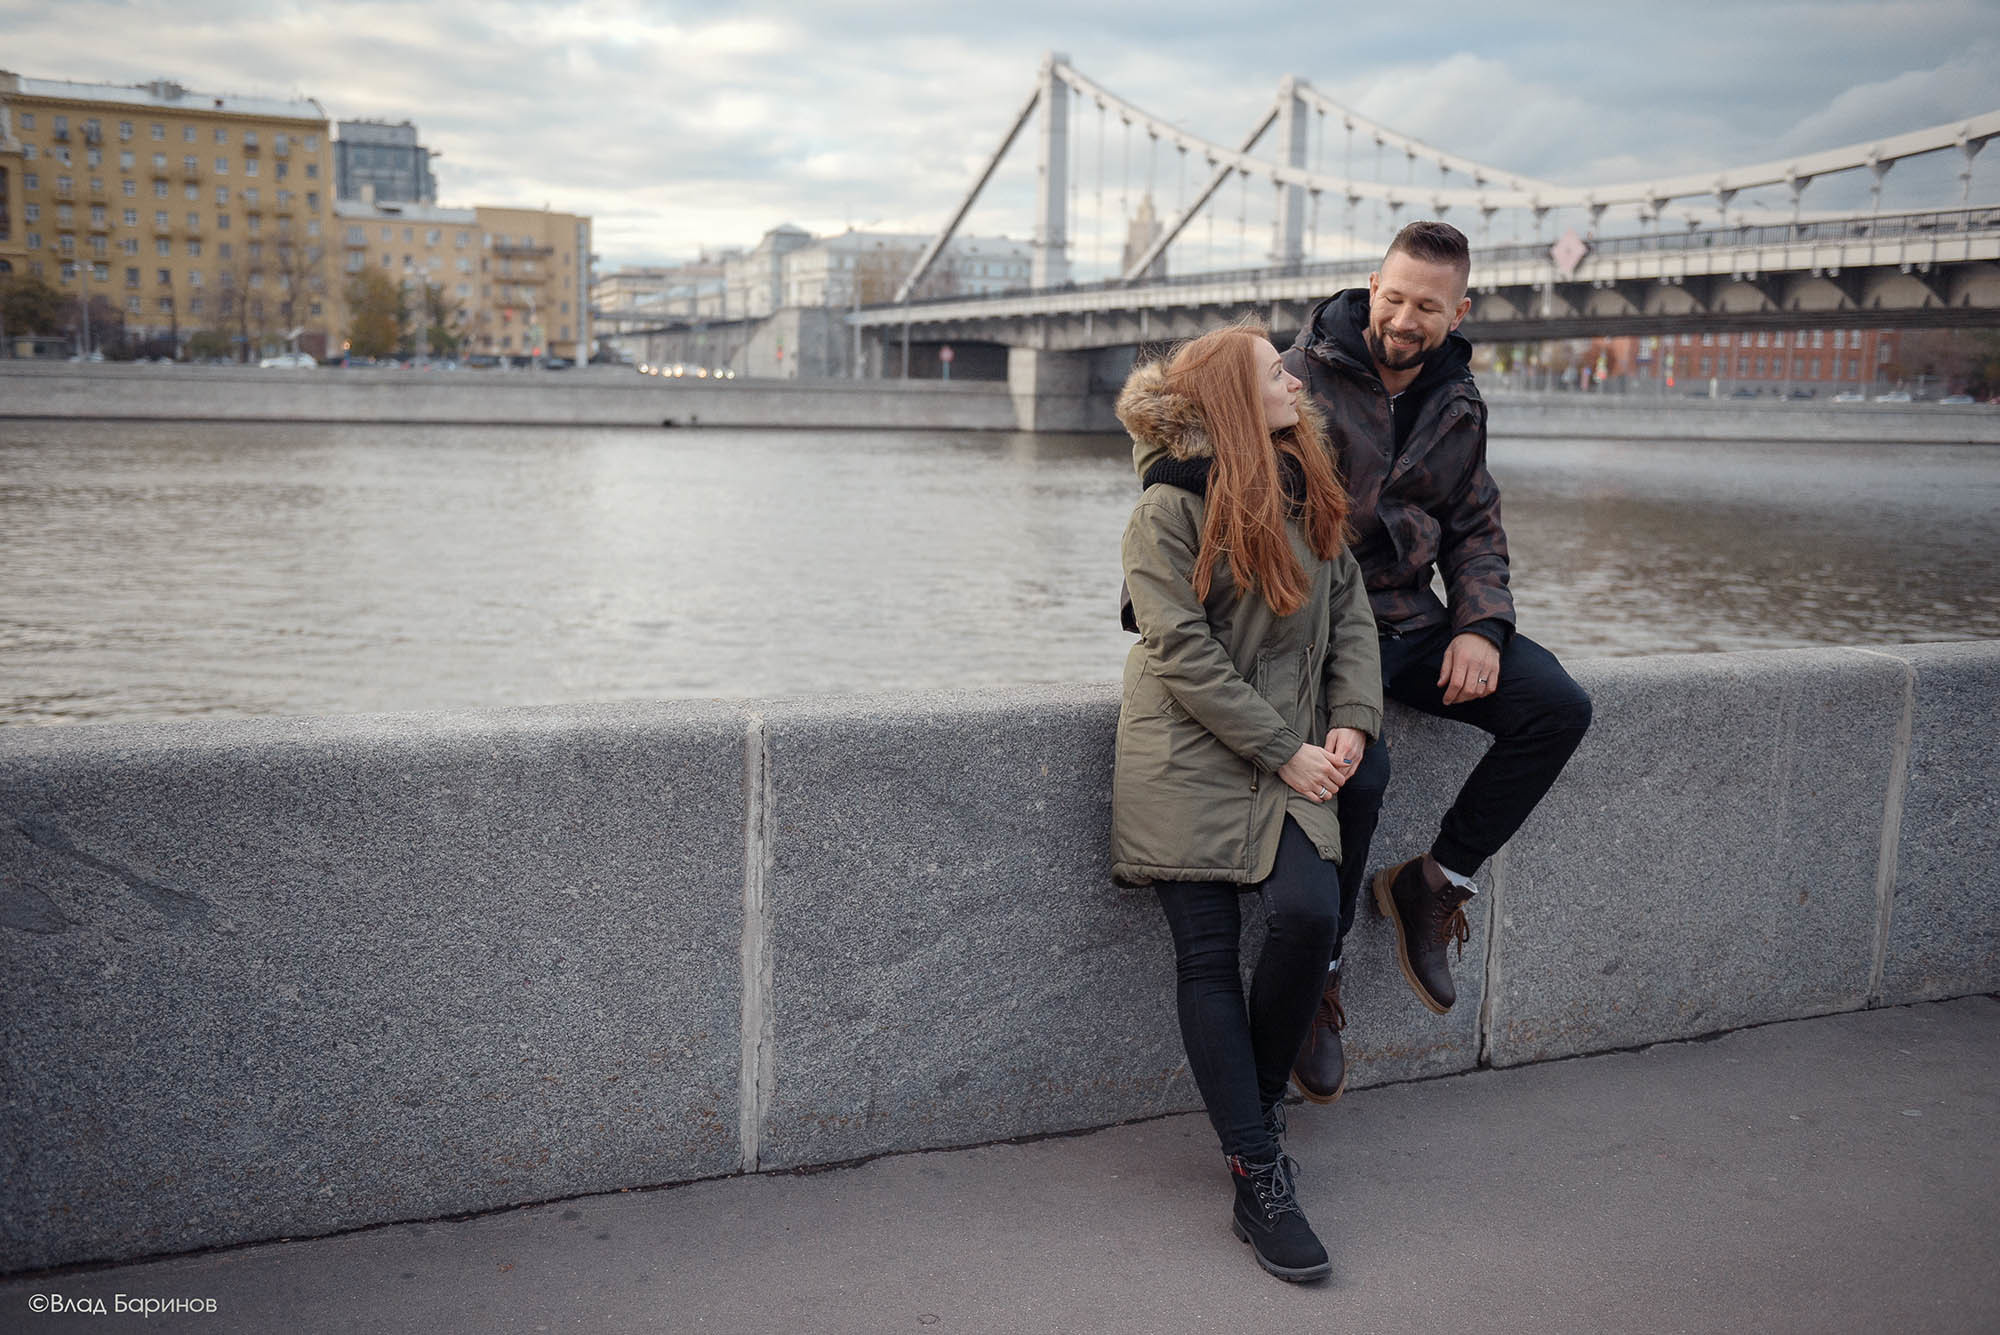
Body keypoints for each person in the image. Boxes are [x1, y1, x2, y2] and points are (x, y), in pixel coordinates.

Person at [1279, 221, 1594, 1103]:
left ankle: (1433, 881)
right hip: (1321, 635)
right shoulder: (1294, 380)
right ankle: (1320, 972)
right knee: (1360, 771)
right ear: (1370, 284)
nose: (1404, 319)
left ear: (1460, 310)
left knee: (1558, 706)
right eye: (1393, 296)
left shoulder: (1459, 398)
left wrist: (1480, 627)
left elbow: (1476, 528)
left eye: (1426, 305)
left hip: (1413, 624)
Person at [1111, 323, 1383, 1283]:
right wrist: (1285, 751)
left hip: (1292, 747)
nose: (1293, 378)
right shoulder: (1165, 508)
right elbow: (1178, 649)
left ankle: (1255, 1108)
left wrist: (1352, 714)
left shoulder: (1302, 478)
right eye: (1276, 370)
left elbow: (1348, 606)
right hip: (1190, 748)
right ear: (1232, 394)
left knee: (1309, 917)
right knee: (1208, 955)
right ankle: (1257, 1168)